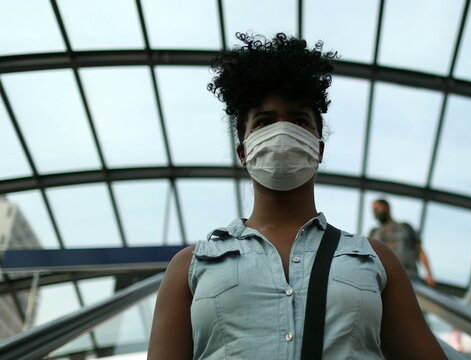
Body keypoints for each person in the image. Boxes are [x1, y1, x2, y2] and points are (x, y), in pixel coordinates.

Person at [147, 33, 446, 359]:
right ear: (243, 151)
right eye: (263, 121)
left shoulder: (376, 259)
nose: (282, 131)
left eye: (300, 120)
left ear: (318, 148)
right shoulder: (190, 266)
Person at [370, 199, 436, 287]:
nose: (375, 213)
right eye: (374, 211)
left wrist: (429, 274)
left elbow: (419, 250)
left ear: (387, 207)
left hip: (410, 275)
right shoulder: (374, 232)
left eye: (377, 209)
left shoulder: (405, 227)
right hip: (384, 278)